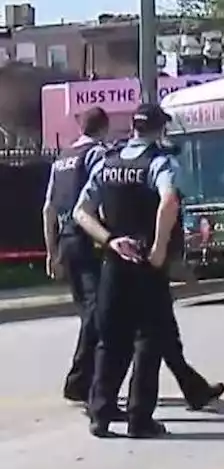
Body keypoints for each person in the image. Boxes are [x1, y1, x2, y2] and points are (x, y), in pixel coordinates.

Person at [73, 103, 218, 438]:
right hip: (144, 265)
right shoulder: (159, 161)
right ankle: (140, 418)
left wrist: (110, 240)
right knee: (149, 340)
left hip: (114, 262)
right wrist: (158, 249)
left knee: (110, 339)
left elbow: (82, 212)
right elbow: (169, 201)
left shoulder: (107, 162)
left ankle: (101, 413)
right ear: (159, 129)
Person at [42, 106, 110, 405]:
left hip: (68, 241)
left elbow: (49, 209)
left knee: (89, 313)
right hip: (90, 240)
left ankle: (92, 382)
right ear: (103, 127)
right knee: (97, 313)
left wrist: (52, 250)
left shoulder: (62, 160)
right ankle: (81, 381)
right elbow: (103, 200)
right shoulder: (97, 155)